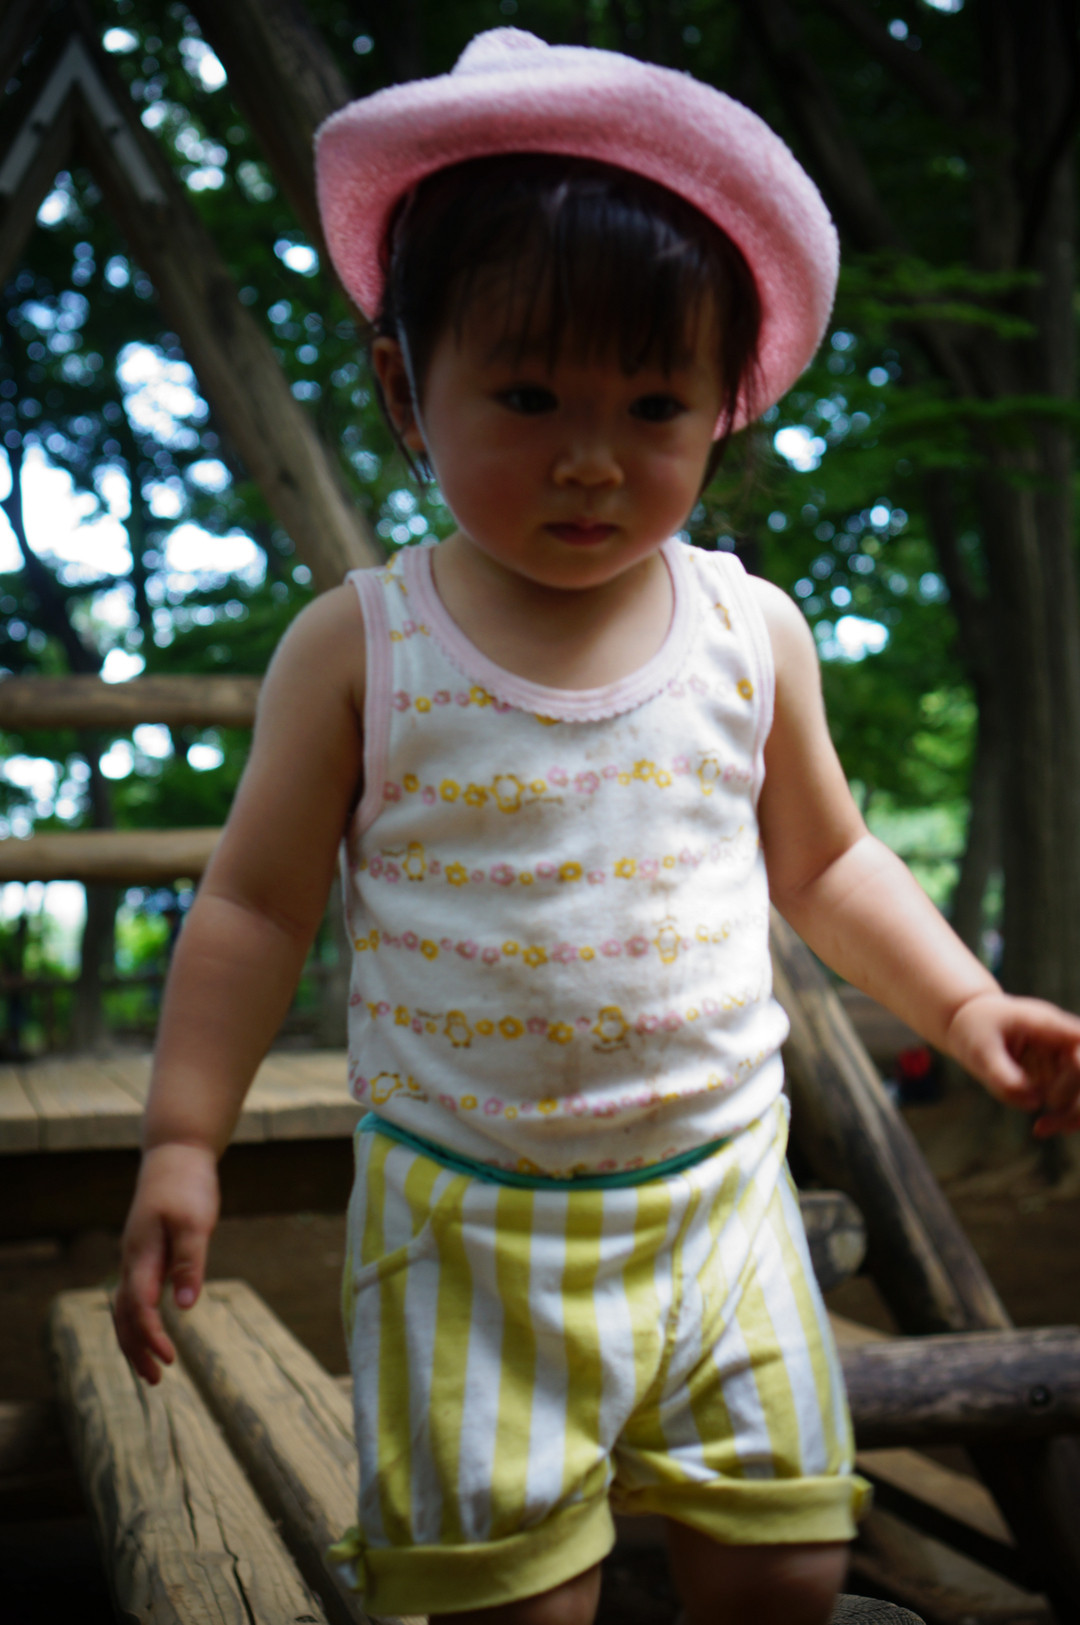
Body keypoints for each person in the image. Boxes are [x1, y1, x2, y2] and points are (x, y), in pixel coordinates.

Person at [112, 28, 1080, 1625]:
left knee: (786, 1563)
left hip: (723, 1201)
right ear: (404, 385)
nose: (590, 457)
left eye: (652, 402)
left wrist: (964, 1004)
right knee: (518, 1600)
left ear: (725, 410)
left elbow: (830, 861)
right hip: (466, 1226)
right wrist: (178, 1136)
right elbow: (255, 909)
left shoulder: (751, 632)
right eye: (527, 393)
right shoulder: (364, 647)